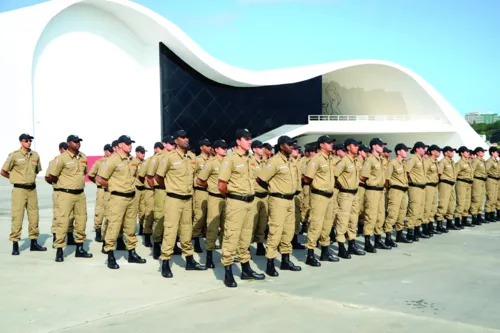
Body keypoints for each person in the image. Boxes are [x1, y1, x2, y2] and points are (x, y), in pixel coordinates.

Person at [155, 130, 206, 278]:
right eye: (182, 137)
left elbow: (197, 174)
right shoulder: (169, 157)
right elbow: (159, 177)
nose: (186, 139)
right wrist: (170, 187)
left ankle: (189, 260)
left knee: (186, 230)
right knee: (170, 230)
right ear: (175, 141)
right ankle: (165, 262)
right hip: (173, 199)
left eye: (186, 137)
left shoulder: (191, 157)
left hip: (187, 199)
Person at [218, 129, 266, 288]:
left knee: (246, 237)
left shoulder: (250, 158)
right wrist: (234, 197)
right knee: (231, 237)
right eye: (246, 139)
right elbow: (221, 185)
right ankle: (228, 272)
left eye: (250, 138)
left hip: (249, 202)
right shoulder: (229, 159)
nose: (249, 141)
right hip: (236, 203)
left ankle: (246, 270)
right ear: (238, 141)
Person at [96, 135, 147, 269]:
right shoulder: (113, 159)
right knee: (114, 226)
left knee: (130, 227)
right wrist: (113, 186)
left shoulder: (132, 160)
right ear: (119, 145)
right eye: (127, 143)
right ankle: (110, 255)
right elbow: (100, 178)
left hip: (131, 197)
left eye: (131, 143)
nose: (130, 145)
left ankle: (132, 252)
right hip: (117, 198)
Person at [257, 135, 302, 276]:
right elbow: (261, 179)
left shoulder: (291, 161)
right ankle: (270, 262)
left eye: (292, 145)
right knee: (275, 231)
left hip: (290, 200)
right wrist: (273, 188)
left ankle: (285, 260)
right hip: (278, 200)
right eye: (289, 145)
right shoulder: (274, 161)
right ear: (281, 146)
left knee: (288, 231)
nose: (291, 147)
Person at [48, 135, 92, 262]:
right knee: (63, 222)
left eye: (79, 142)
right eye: (75, 142)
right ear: (68, 143)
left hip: (80, 194)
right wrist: (64, 184)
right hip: (65, 194)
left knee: (81, 221)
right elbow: (52, 176)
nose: (78, 143)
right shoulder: (62, 158)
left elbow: (83, 173)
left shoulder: (83, 157)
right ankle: (60, 250)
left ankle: (80, 248)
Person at [1, 133, 46, 255]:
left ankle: (34, 242)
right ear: (21, 142)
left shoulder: (35, 155)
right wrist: (14, 178)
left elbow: (36, 171)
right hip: (19, 190)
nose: (29, 143)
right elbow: (3, 171)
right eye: (26, 141)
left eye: (30, 140)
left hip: (32, 190)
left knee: (34, 216)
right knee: (17, 216)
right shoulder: (14, 156)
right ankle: (15, 243)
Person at [303, 135, 339, 266]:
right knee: (316, 225)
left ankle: (325, 251)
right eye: (328, 143)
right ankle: (310, 254)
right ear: (321, 145)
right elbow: (307, 178)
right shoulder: (316, 159)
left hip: (329, 195)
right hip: (319, 195)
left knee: (327, 224)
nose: (331, 145)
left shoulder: (329, 159)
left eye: (331, 142)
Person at [196, 139, 229, 268]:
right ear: (215, 150)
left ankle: (226, 255)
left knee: (227, 228)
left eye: (226, 147)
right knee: (213, 228)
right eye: (222, 147)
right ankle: (209, 256)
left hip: (227, 198)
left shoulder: (229, 161)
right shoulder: (210, 163)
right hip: (214, 198)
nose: (225, 149)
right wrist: (210, 186)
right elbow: (200, 180)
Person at [334, 138, 365, 257]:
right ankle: (341, 246)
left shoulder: (356, 161)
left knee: (353, 220)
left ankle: (352, 244)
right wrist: (341, 186)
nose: (357, 147)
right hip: (345, 194)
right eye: (355, 145)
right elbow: (335, 175)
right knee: (343, 219)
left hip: (355, 193)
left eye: (357, 145)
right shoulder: (343, 162)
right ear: (348, 147)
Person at [147, 136, 176, 259]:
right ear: (164, 144)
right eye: (170, 143)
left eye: (174, 143)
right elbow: (149, 177)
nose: (173, 145)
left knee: (173, 219)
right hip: (162, 191)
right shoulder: (158, 158)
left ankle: (171, 245)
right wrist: (155, 189)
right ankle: (157, 245)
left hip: (174, 192)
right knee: (159, 218)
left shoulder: (177, 157)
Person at [360, 138, 389, 252]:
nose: (382, 147)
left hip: (381, 191)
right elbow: (363, 177)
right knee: (370, 216)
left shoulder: (381, 160)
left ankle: (378, 240)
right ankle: (367, 242)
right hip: (372, 190)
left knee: (380, 216)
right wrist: (371, 183)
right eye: (380, 145)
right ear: (374, 147)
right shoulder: (370, 160)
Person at [46, 142, 76, 247]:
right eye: (64, 149)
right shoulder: (55, 161)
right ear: (60, 149)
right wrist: (57, 183)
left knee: (71, 215)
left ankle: (70, 236)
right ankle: (56, 237)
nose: (65, 151)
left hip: (68, 192)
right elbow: (48, 177)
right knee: (58, 215)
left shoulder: (73, 159)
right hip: (58, 191)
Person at [384, 143, 411, 244]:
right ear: (398, 151)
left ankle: (399, 235)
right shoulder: (392, 163)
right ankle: (388, 236)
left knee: (402, 213)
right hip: (395, 190)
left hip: (403, 190)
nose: (407, 152)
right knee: (393, 214)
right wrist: (389, 190)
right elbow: (386, 179)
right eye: (405, 150)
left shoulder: (404, 163)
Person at [88, 144, 113, 242]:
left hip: (111, 189)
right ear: (105, 151)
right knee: (100, 210)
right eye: (109, 151)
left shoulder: (113, 161)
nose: (111, 153)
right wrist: (98, 183)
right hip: (102, 190)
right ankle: (98, 230)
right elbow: (91, 175)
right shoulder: (99, 162)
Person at [137, 143, 161, 247]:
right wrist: (150, 186)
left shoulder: (165, 159)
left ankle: (159, 235)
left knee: (160, 214)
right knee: (149, 213)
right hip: (150, 190)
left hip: (161, 191)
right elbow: (141, 176)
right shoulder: (149, 161)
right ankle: (147, 235)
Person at [406, 141, 429, 241]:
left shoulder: (422, 159)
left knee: (420, 209)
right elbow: (406, 171)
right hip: (415, 187)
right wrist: (411, 181)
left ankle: (417, 229)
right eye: (423, 148)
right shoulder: (413, 159)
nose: (424, 150)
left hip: (422, 187)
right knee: (414, 209)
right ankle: (410, 231)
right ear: (417, 149)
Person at [192, 138, 212, 253]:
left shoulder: (212, 160)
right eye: (206, 145)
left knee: (209, 217)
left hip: (211, 191)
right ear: (201, 147)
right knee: (199, 216)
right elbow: (192, 175)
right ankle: (196, 241)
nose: (209, 147)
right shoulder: (197, 160)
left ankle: (208, 240)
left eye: (209, 145)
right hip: (200, 191)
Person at [249, 140, 268, 255]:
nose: (262, 149)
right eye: (260, 147)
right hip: (254, 196)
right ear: (254, 149)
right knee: (251, 223)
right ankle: (246, 247)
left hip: (264, 195)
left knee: (262, 223)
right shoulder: (249, 161)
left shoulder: (266, 162)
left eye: (263, 147)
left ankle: (260, 244)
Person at [435, 146, 458, 232]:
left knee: (451, 204)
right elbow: (439, 174)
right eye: (450, 151)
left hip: (451, 184)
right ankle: (439, 224)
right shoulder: (442, 162)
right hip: (444, 184)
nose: (453, 153)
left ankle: (449, 222)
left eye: (453, 151)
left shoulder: (452, 162)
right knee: (443, 203)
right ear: (445, 153)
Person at [423, 145, 441, 236]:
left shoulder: (435, 162)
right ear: (432, 152)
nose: (439, 152)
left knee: (433, 206)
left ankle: (430, 225)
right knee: (427, 206)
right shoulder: (427, 162)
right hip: (428, 186)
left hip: (434, 186)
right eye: (437, 150)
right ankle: (424, 226)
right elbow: (423, 174)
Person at [290, 142, 305, 249]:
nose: (297, 151)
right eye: (295, 149)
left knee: (296, 218)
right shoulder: (287, 161)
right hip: (289, 195)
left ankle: (294, 240)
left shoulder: (297, 162)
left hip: (298, 194)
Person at [455, 146, 473, 228]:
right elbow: (455, 174)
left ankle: (464, 219)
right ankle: (457, 220)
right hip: (461, 183)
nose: (468, 153)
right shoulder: (459, 163)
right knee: (461, 202)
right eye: (466, 152)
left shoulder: (468, 162)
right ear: (462, 153)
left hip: (468, 183)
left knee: (467, 202)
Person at [131, 146, 147, 235]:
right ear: (137, 153)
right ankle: (131, 230)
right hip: (136, 189)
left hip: (144, 189)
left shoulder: (146, 162)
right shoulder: (132, 162)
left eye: (144, 152)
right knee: (133, 210)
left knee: (143, 210)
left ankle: (141, 227)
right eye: (141, 152)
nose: (143, 154)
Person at [470, 147, 487, 225]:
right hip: (477, 180)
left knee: (481, 198)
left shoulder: (483, 161)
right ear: (477, 153)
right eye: (482, 151)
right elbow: (471, 171)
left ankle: (479, 215)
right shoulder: (475, 161)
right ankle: (474, 217)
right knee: (476, 198)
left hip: (482, 181)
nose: (483, 153)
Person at [485, 147, 499, 222]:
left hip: (496, 180)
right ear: (492, 153)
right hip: (491, 180)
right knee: (490, 197)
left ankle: (492, 214)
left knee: (494, 198)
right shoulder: (489, 161)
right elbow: (485, 170)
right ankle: (487, 214)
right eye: (496, 152)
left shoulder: (496, 161)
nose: (498, 153)